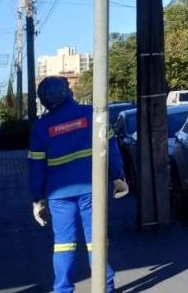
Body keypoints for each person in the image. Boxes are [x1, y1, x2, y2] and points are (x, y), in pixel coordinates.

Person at [28, 76, 129, 293]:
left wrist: (37, 199)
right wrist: (117, 176)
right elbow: (110, 147)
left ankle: (62, 290)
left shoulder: (41, 127)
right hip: (93, 189)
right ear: (68, 93)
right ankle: (104, 286)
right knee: (97, 240)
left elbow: (36, 167)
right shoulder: (90, 115)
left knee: (63, 244)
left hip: (59, 195)